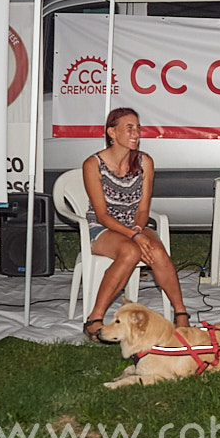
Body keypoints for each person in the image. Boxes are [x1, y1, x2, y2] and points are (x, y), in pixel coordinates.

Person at [80, 107, 189, 342]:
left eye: (138, 128)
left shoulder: (144, 162)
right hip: (104, 228)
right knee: (130, 251)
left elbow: (142, 210)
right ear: (112, 132)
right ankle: (94, 319)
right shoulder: (93, 164)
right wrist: (134, 236)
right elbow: (102, 215)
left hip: (134, 225)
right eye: (129, 128)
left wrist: (138, 230)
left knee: (157, 252)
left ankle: (181, 314)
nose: (136, 133)